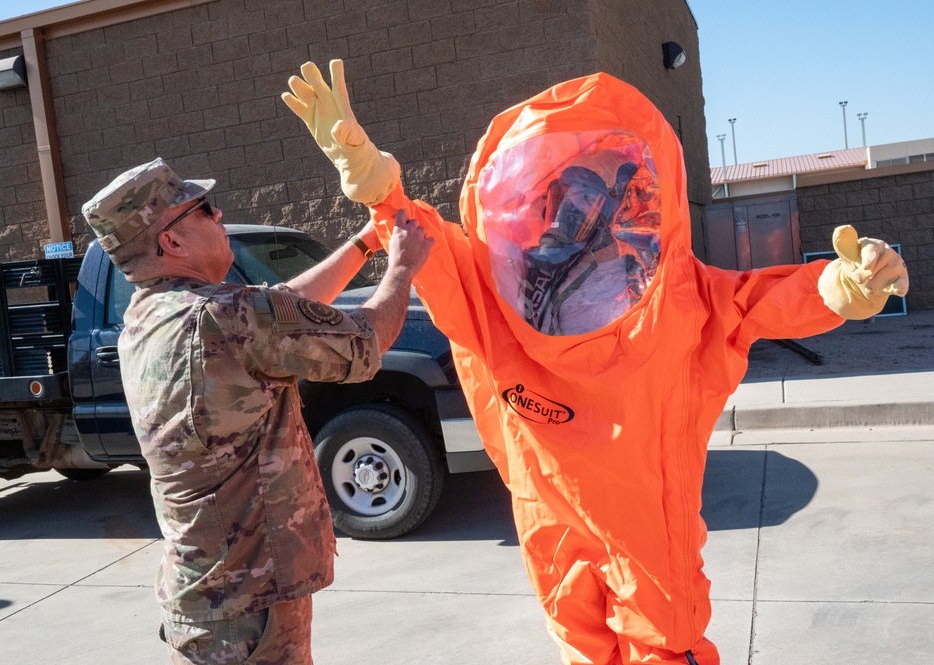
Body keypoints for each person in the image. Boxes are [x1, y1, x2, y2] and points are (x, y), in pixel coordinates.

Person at [282, 61, 909, 664]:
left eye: (610, 189)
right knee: (580, 646)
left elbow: (755, 301)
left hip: (648, 538)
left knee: (663, 646)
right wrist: (379, 188)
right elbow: (432, 249)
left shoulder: (675, 293)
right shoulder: (503, 295)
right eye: (574, 188)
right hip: (552, 526)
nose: (586, 210)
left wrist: (841, 288)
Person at [80, 157, 432, 665]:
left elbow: (282, 305)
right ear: (172, 243)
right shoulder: (221, 318)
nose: (219, 214)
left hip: (211, 606)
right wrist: (402, 267)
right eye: (202, 209)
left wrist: (364, 245)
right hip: (249, 615)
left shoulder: (149, 315)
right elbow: (365, 342)